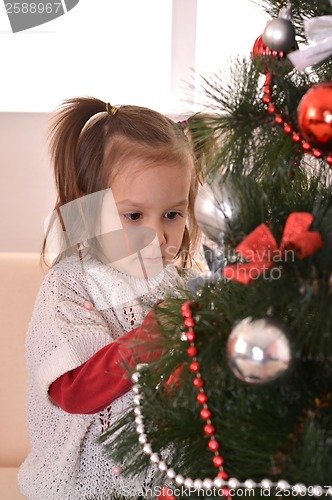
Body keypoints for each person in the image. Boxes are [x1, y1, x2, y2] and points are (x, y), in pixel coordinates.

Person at [18, 97, 201, 499]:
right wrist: (153, 337)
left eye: (173, 214)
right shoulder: (69, 286)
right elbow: (73, 392)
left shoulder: (179, 284)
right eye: (134, 216)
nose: (157, 235)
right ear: (88, 208)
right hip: (79, 487)